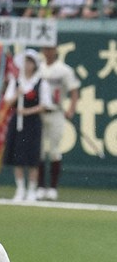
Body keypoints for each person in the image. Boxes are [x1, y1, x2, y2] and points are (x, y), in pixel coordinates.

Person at [3, 49, 53, 202]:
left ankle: (32, 189)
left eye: (30, 62)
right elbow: (7, 101)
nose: (27, 65)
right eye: (25, 61)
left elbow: (45, 105)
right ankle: (20, 188)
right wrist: (18, 94)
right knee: (17, 156)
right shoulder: (16, 81)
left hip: (32, 123)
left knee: (32, 157)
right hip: (17, 122)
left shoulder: (40, 82)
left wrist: (27, 111)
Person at [36, 45, 80, 200]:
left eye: (50, 49)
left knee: (54, 150)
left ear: (56, 50)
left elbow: (74, 90)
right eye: (45, 49)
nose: (47, 52)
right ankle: (40, 186)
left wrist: (71, 109)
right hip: (39, 112)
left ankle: (53, 187)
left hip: (56, 111)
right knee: (40, 150)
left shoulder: (64, 70)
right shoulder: (38, 68)